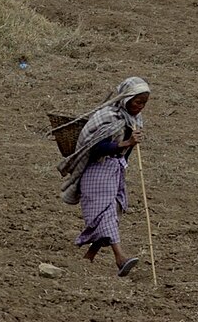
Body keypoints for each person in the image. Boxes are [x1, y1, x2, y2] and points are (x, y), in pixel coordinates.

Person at [57, 76, 150, 277]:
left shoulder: (134, 120)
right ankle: (120, 258)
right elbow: (95, 147)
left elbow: (127, 151)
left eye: (144, 103)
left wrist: (124, 158)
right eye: (137, 101)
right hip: (96, 170)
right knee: (104, 213)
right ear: (127, 98)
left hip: (115, 170)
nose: (140, 106)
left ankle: (89, 256)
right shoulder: (107, 116)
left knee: (113, 210)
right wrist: (126, 144)